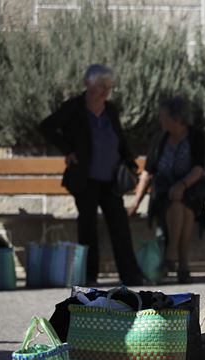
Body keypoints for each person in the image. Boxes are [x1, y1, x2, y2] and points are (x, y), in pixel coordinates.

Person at [39, 64, 147, 286]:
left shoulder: (110, 110)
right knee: (87, 227)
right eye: (101, 86)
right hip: (85, 179)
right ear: (88, 84)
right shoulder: (73, 108)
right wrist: (68, 150)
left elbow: (119, 137)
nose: (105, 92)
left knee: (120, 227)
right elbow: (46, 127)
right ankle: (89, 277)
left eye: (108, 87)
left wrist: (129, 161)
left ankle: (131, 275)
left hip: (111, 179)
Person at [127, 97, 205, 283]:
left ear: (177, 118)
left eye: (163, 116)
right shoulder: (160, 138)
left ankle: (172, 255)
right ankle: (183, 264)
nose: (160, 120)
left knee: (183, 202)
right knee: (177, 203)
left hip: (190, 190)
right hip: (163, 193)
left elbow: (199, 168)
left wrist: (182, 185)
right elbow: (148, 172)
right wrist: (135, 202)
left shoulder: (195, 136)